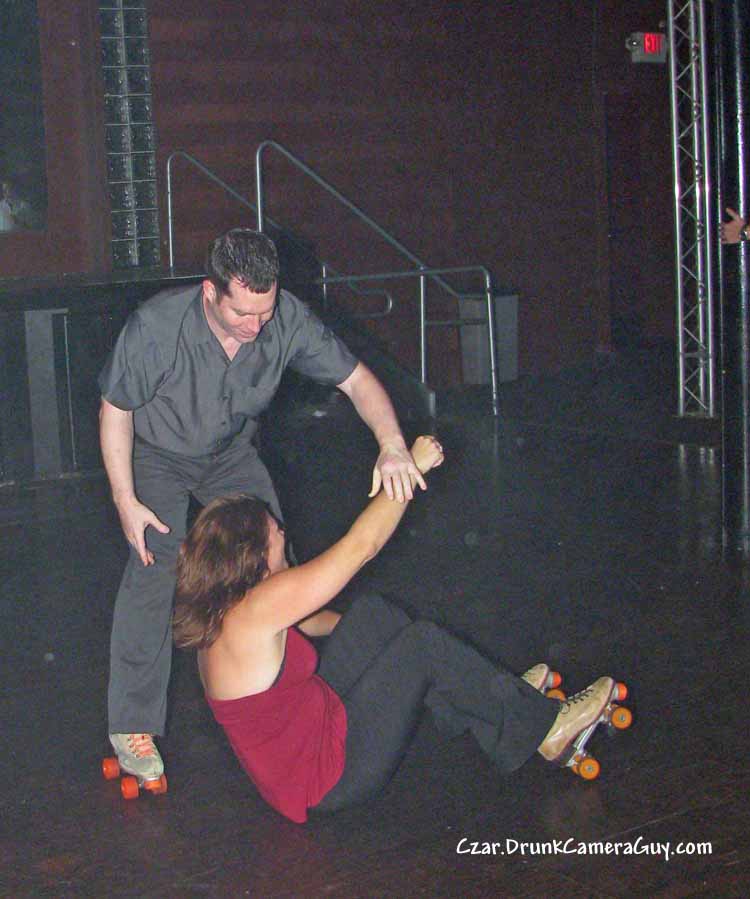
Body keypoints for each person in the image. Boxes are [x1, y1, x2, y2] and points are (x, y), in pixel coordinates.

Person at [98, 228, 424, 782]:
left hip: (229, 454)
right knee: (154, 561)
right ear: (210, 292)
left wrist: (392, 444)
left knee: (273, 558)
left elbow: (357, 381)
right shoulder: (157, 327)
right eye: (242, 314)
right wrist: (125, 499)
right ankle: (132, 721)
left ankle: (321, 659)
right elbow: (116, 410)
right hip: (157, 455)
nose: (255, 327)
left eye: (264, 312)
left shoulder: (287, 319)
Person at [173, 437, 622, 823]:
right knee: (421, 646)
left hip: (315, 731)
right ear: (252, 557)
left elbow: (309, 621)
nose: (284, 535)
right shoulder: (257, 607)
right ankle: (546, 729)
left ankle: (483, 701)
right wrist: (411, 468)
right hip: (328, 776)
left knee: (374, 615)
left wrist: (388, 653)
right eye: (276, 533)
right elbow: (361, 548)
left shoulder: (226, 610)